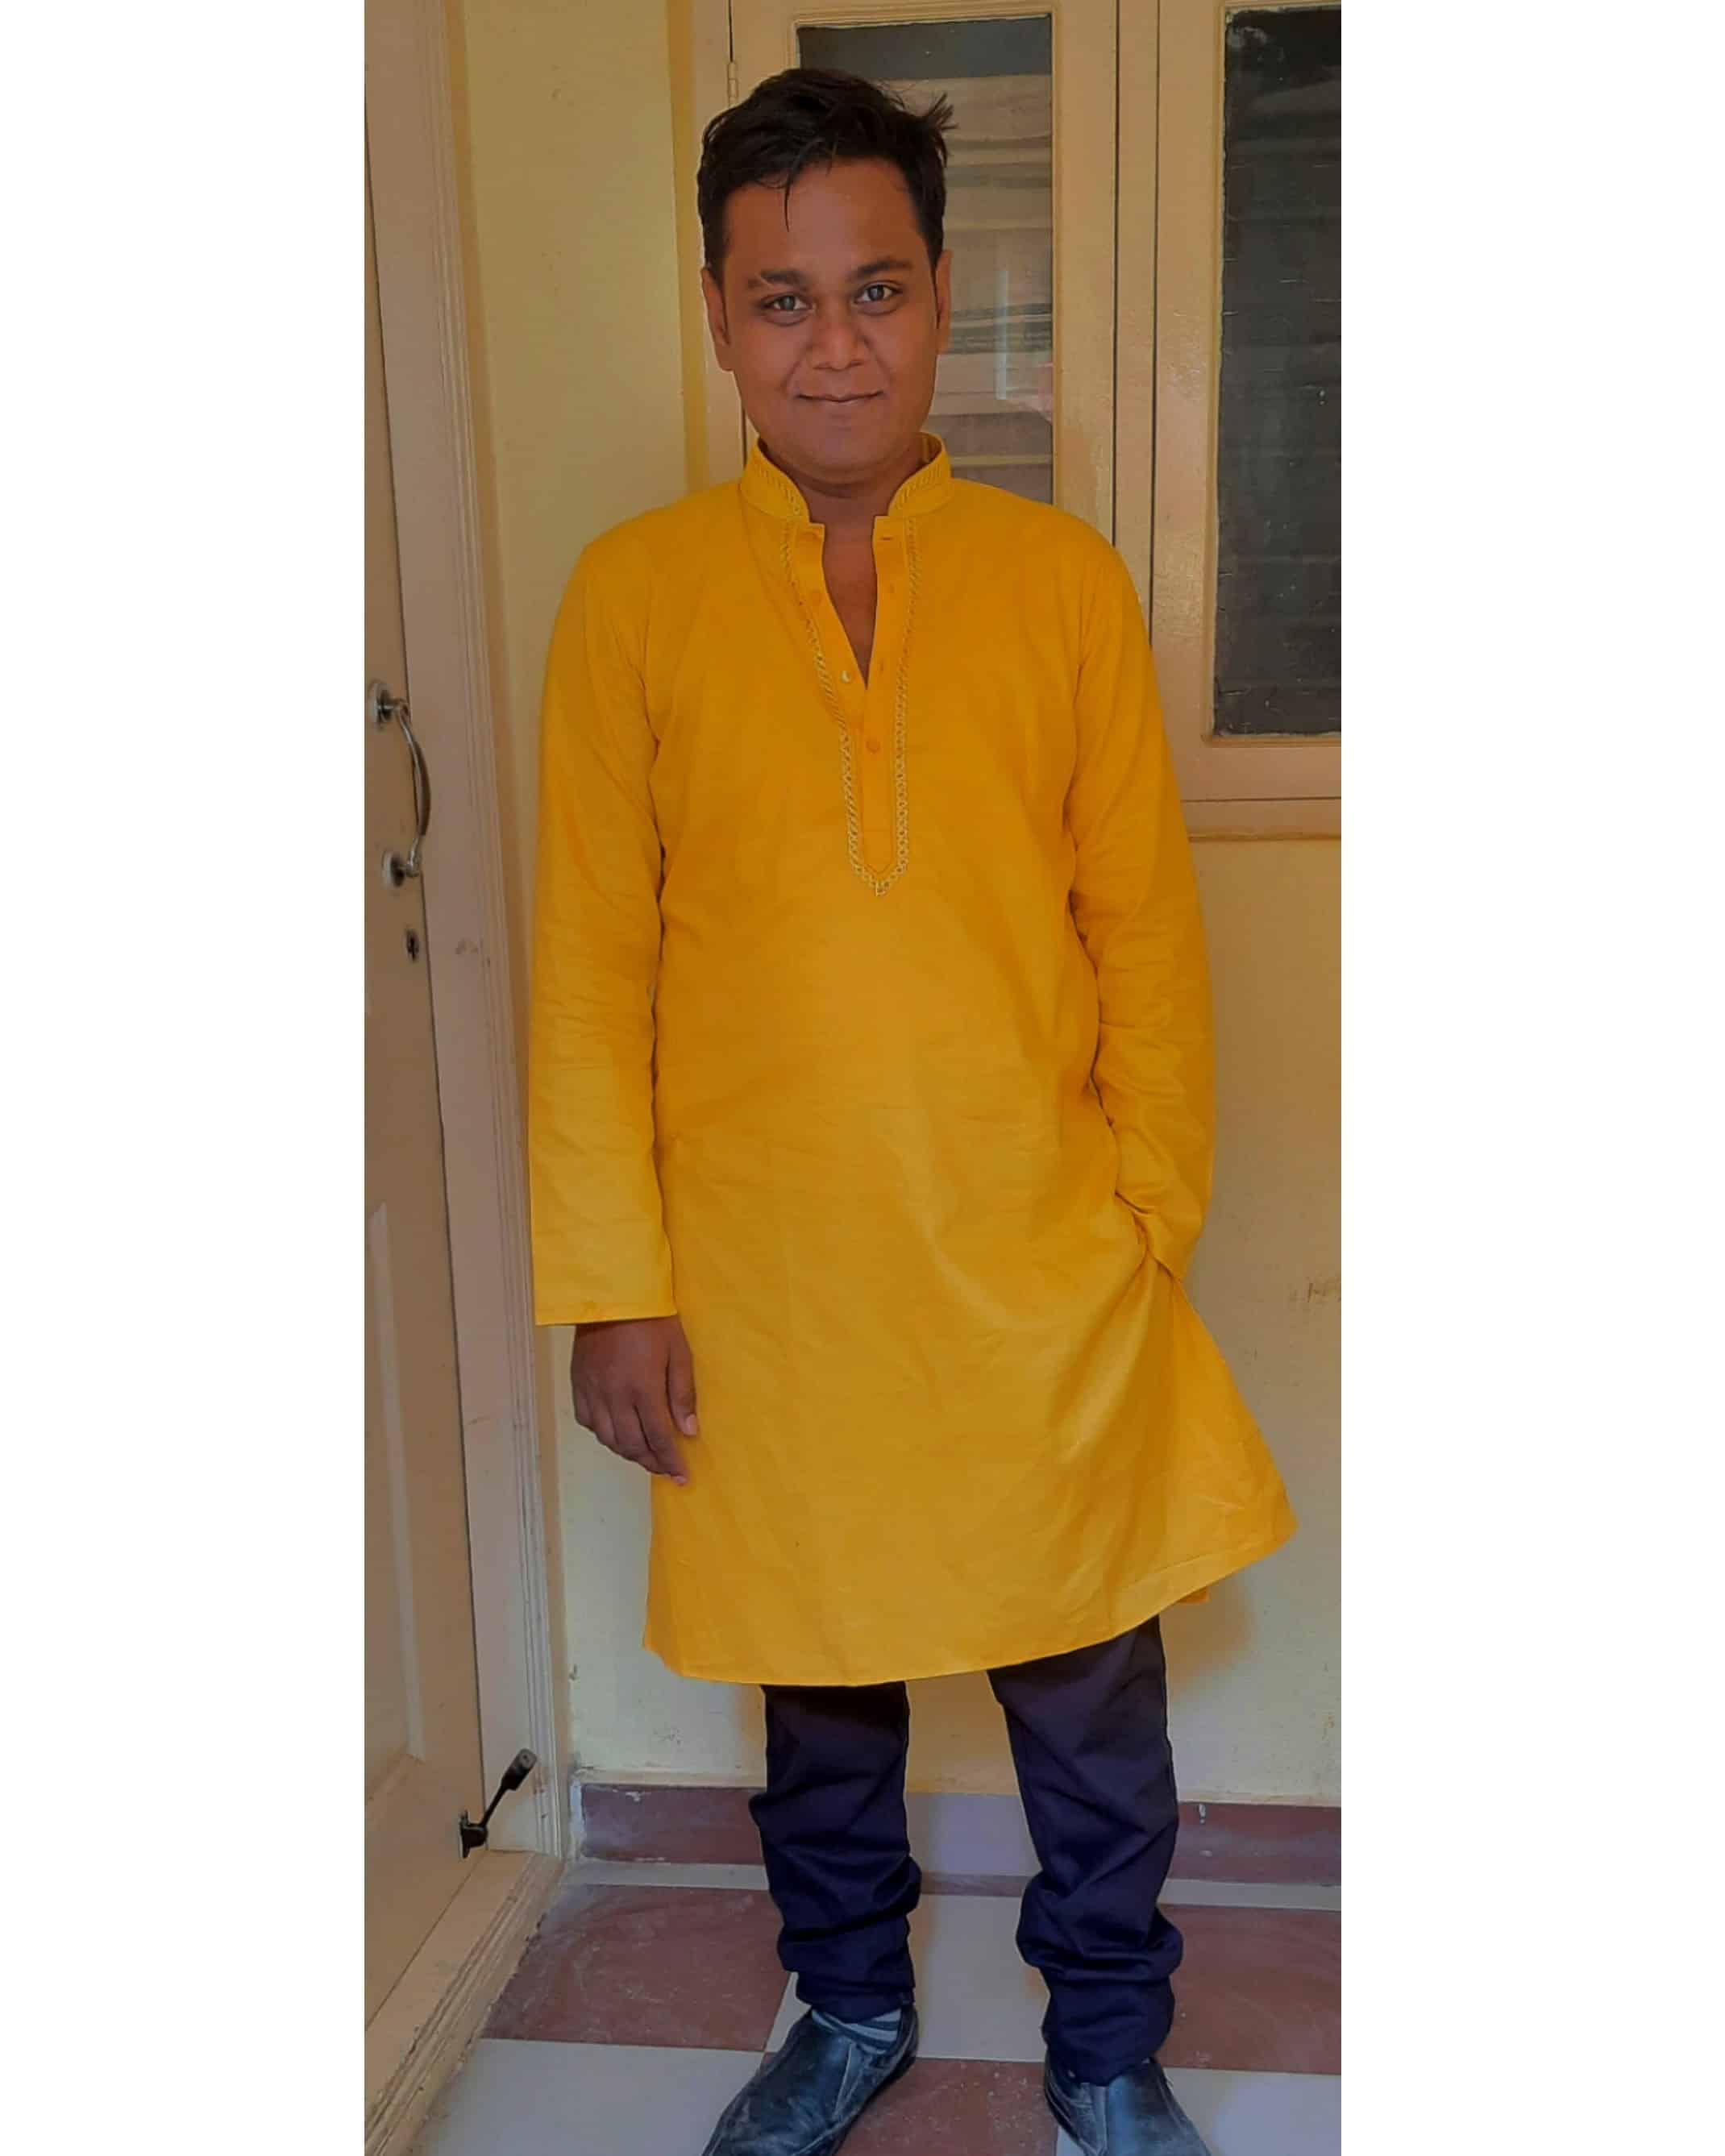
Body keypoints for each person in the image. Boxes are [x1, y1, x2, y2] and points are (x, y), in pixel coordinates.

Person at [526, 65, 1297, 2156]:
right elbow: (588, 972)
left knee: (1090, 1692)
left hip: (1038, 1269)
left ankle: (1107, 2044)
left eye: (874, 287)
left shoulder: (1060, 584)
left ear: (946, 292)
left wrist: (1142, 1220)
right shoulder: (633, 597)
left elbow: (1145, 940)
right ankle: (848, 2006)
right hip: (765, 1282)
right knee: (822, 1690)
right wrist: (614, 1283)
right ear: (715, 315)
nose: (834, 343)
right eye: (781, 299)